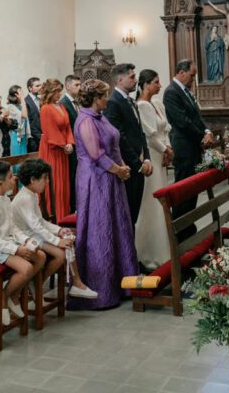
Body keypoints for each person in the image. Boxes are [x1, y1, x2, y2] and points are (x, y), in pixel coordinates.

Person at [72, 79, 137, 309]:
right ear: (95, 99)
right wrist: (119, 170)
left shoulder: (101, 116)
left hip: (112, 177)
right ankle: (102, 289)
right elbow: (96, 154)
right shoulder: (86, 121)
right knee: (100, 229)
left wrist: (123, 165)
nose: (107, 100)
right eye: (104, 96)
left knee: (117, 226)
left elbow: (114, 145)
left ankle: (123, 283)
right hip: (95, 180)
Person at [13, 159, 97, 300]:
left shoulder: (31, 194)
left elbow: (40, 221)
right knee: (61, 253)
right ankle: (40, 282)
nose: (47, 182)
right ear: (33, 179)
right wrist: (57, 241)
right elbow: (36, 226)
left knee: (65, 243)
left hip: (33, 234)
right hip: (24, 238)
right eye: (44, 178)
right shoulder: (24, 198)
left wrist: (59, 231)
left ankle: (73, 283)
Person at [0, 159, 45, 325]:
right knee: (26, 267)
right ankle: (3, 297)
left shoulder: (6, 199)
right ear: (0, 183)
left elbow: (13, 227)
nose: (14, 178)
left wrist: (26, 240)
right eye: (10, 176)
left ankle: (13, 296)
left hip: (7, 243)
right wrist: (16, 250)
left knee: (40, 256)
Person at [163, 60, 212, 239]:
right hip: (183, 147)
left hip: (192, 146)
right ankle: (179, 230)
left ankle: (188, 225)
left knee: (193, 190)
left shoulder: (186, 91)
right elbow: (182, 121)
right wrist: (201, 136)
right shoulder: (171, 93)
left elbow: (197, 116)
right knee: (183, 190)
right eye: (192, 75)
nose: (194, 79)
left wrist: (206, 131)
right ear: (181, 72)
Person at [104, 63, 152, 226]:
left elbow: (141, 132)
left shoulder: (131, 101)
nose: (135, 80)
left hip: (138, 164)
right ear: (119, 80)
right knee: (127, 215)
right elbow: (119, 138)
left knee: (134, 213)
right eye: (131, 77)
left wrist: (147, 158)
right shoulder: (113, 102)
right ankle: (127, 251)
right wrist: (138, 163)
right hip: (126, 166)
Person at [135, 69, 173, 269]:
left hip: (162, 156)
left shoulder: (157, 103)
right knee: (151, 203)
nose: (160, 85)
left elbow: (165, 130)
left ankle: (164, 250)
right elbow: (150, 135)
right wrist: (166, 150)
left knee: (163, 202)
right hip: (151, 155)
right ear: (146, 84)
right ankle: (148, 252)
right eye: (156, 82)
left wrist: (168, 149)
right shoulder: (141, 105)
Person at [39, 78, 74, 220]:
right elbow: (49, 130)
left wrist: (70, 142)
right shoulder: (46, 108)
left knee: (63, 184)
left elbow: (68, 127)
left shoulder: (62, 107)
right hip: (52, 150)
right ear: (50, 92)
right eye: (57, 91)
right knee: (54, 184)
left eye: (60, 91)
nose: (59, 94)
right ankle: (54, 216)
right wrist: (63, 144)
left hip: (62, 150)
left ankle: (64, 214)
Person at [60, 75, 81, 212]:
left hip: (79, 146)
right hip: (71, 147)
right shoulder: (64, 103)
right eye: (76, 85)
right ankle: (73, 207)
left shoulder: (77, 103)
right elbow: (66, 127)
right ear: (68, 86)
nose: (79, 87)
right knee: (72, 178)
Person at [6, 85, 30, 160]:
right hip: (15, 137)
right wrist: (23, 99)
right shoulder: (10, 107)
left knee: (24, 160)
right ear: (16, 95)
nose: (22, 94)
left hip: (23, 137)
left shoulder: (20, 106)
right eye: (21, 92)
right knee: (17, 160)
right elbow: (24, 116)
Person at [25, 77, 42, 152]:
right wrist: (40, 137)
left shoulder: (41, 100)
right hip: (33, 140)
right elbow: (29, 123)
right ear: (30, 88)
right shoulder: (26, 101)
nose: (40, 87)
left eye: (40, 85)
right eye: (37, 86)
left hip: (43, 137)